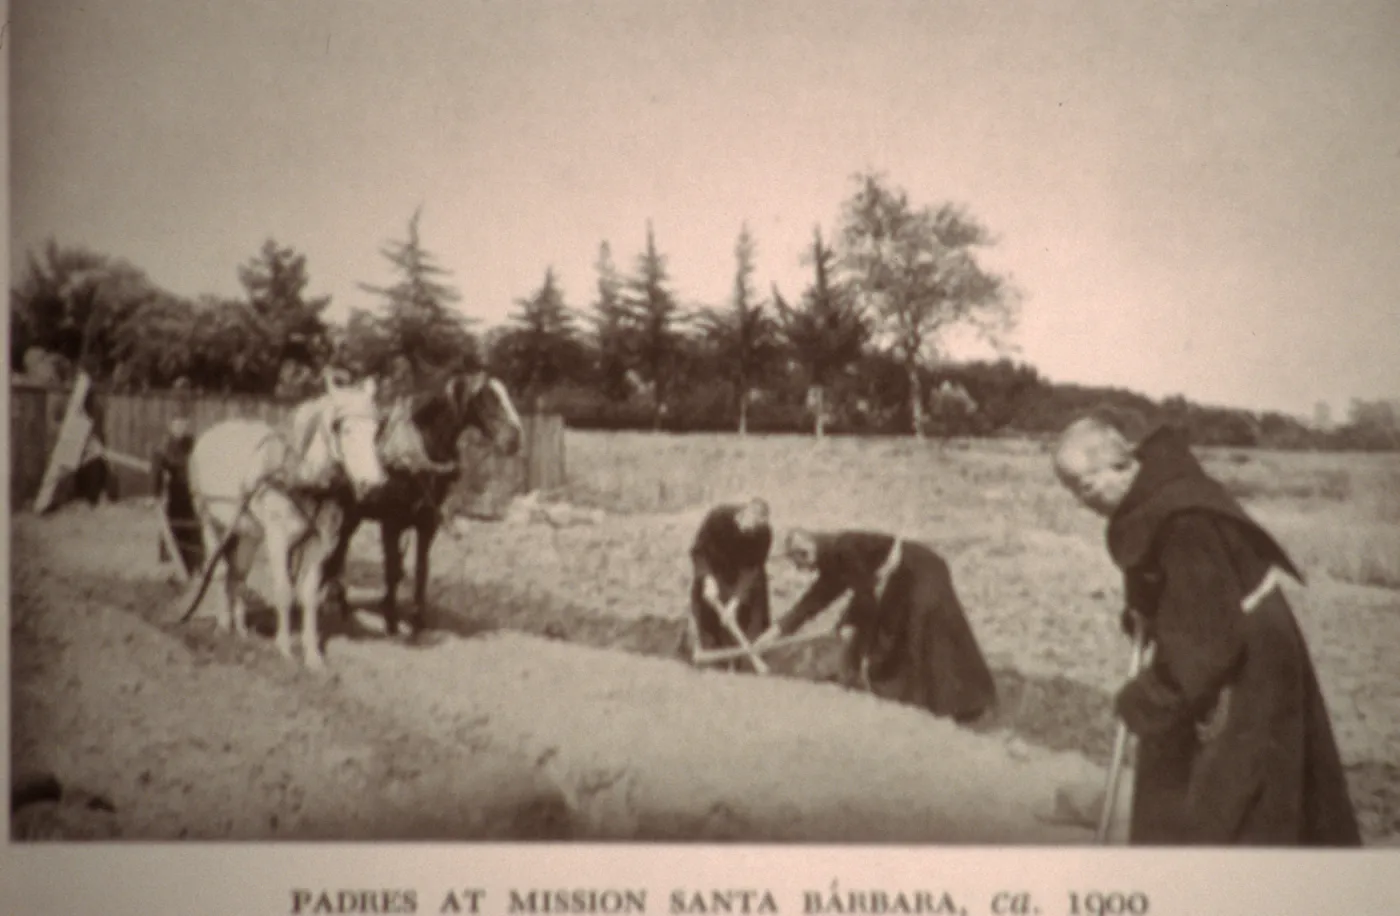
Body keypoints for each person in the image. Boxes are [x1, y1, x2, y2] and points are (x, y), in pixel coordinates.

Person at [1052, 415, 1361, 846]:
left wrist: (1147, 698)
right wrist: (1143, 611)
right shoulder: (1149, 493)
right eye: (1071, 490)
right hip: (1216, 635)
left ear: (1118, 465)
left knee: (1232, 794)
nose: (1080, 501)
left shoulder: (1183, 519)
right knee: (1184, 780)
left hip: (1248, 658)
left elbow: (1205, 643)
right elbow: (1171, 587)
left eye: (1083, 486)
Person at [753, 528, 998, 724]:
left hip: (921, 569)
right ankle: (918, 705)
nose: (802, 571)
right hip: (900, 578)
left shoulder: (844, 550)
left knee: (927, 631)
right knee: (894, 640)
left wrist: (849, 624)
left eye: (800, 564)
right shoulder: (831, 559)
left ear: (806, 551)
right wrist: (776, 631)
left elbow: (866, 597)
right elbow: (814, 600)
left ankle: (967, 705)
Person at [682, 498, 774, 672]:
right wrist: (707, 579)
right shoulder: (718, 518)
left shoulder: (764, 534)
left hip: (742, 576)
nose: (750, 531)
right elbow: (698, 551)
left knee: (751, 617)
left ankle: (746, 664)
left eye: (756, 529)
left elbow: (753, 569)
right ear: (743, 514)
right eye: (749, 526)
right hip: (713, 570)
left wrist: (735, 601)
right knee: (707, 617)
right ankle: (711, 659)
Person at [152, 417, 204, 576]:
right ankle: (174, 564)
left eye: (184, 425)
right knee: (174, 526)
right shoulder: (163, 447)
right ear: (171, 427)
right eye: (177, 426)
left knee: (194, 528)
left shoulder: (192, 444)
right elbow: (156, 473)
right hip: (176, 493)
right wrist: (156, 495)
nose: (181, 429)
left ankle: (196, 564)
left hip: (192, 492)